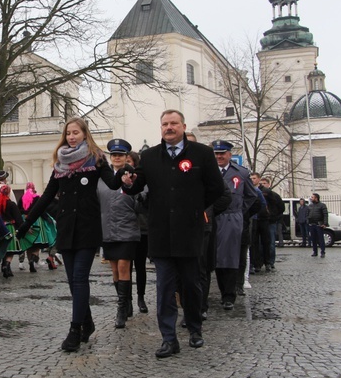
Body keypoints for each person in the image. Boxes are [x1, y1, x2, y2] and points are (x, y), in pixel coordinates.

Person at [121, 110, 229, 359]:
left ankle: (194, 329)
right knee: (165, 288)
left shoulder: (201, 153)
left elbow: (215, 188)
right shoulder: (148, 156)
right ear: (161, 128)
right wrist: (128, 181)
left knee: (191, 285)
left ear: (183, 126)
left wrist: (195, 207)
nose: (169, 127)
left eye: (173, 123)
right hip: (160, 233)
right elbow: (137, 186)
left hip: (190, 231)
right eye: (165, 124)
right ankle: (169, 338)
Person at [16, 117, 127, 352]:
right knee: (72, 282)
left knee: (79, 278)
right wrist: (25, 224)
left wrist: (125, 175)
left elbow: (113, 183)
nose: (71, 137)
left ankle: (74, 330)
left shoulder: (96, 159)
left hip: (87, 228)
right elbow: (46, 198)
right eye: (68, 133)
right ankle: (87, 322)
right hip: (66, 229)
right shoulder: (60, 165)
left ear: (85, 134)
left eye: (76, 132)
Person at [210, 140, 259, 311]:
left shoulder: (241, 173)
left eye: (222, 153)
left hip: (231, 219)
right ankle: (216, 294)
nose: (219, 156)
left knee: (230, 257)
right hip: (211, 218)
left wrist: (239, 212)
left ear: (230, 154)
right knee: (213, 257)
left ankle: (229, 295)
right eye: (216, 153)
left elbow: (252, 196)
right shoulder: (208, 172)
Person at [97, 138, 140, 328]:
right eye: (113, 155)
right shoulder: (102, 179)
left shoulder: (134, 176)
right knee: (114, 270)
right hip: (107, 229)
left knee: (123, 267)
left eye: (120, 155)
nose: (116, 158)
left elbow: (141, 200)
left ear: (126, 157)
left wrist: (131, 187)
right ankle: (126, 302)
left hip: (127, 229)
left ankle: (121, 309)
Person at [127, 151, 149, 314]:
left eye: (130, 161)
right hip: (125, 229)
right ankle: (126, 300)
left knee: (140, 266)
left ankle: (141, 297)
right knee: (125, 267)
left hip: (142, 228)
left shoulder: (142, 180)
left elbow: (146, 198)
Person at [0, 184, 25, 278]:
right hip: (10, 228)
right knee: (11, 251)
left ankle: (5, 266)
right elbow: (18, 218)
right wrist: (22, 227)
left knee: (5, 248)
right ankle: (7, 265)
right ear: (8, 192)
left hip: (1, 229)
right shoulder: (12, 204)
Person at [259, 177, 284, 270]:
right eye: (261, 183)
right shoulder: (257, 193)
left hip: (271, 222)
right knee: (260, 243)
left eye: (264, 183)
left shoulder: (274, 195)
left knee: (271, 243)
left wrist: (273, 216)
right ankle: (261, 261)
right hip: (261, 220)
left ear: (268, 184)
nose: (263, 185)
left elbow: (281, 208)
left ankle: (270, 261)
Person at [307, 193, 328, 257]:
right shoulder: (310, 206)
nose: (311, 198)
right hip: (312, 224)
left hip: (319, 224)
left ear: (316, 198)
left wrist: (325, 223)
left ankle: (322, 252)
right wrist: (308, 221)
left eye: (312, 197)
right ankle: (315, 251)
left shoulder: (322, 205)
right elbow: (308, 214)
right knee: (313, 239)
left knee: (320, 239)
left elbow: (325, 215)